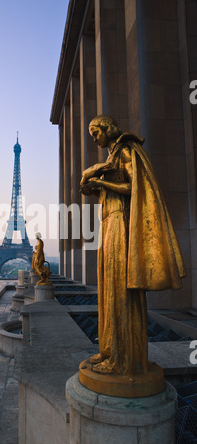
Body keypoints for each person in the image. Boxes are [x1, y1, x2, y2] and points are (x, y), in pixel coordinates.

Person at [80, 115, 186, 376]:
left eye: (95, 132)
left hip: (121, 223)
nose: (93, 137)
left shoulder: (127, 150)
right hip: (109, 224)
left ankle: (123, 359)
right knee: (109, 287)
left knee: (119, 287)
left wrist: (102, 181)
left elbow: (135, 187)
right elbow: (96, 189)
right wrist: (90, 178)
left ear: (107, 129)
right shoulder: (111, 156)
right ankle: (109, 349)